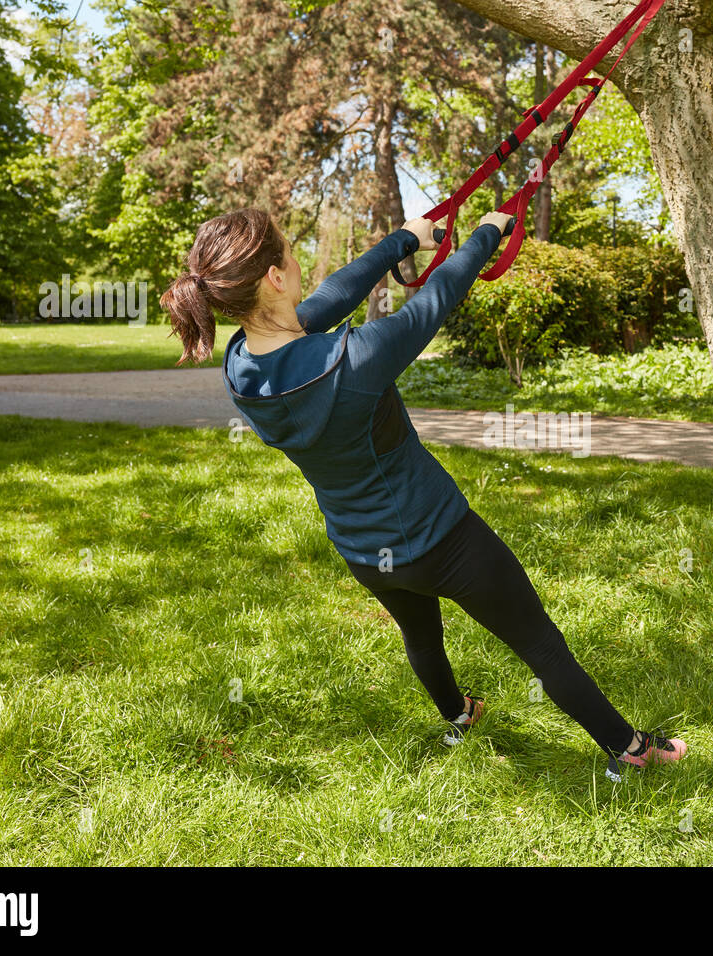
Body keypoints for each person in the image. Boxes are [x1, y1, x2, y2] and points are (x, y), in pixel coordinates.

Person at [159, 206, 686, 778]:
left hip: (365, 550)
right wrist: (489, 230)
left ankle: (459, 715)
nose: (297, 258)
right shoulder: (353, 360)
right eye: (289, 251)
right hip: (442, 537)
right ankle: (630, 750)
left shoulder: (242, 366)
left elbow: (333, 297)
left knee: (421, 636)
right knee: (540, 644)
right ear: (275, 278)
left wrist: (406, 240)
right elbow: (436, 300)